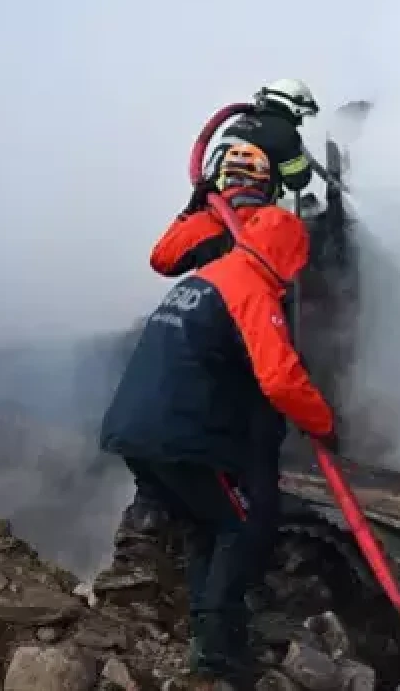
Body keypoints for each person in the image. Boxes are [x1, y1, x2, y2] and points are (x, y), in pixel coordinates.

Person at [100, 203, 336, 690]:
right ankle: (218, 656)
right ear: (288, 256)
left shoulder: (206, 278)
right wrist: (324, 423)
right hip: (181, 437)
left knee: (203, 526)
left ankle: (207, 630)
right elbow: (279, 380)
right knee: (243, 524)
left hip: (135, 431)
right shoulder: (251, 288)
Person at [203, 77, 320, 201]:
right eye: (300, 116)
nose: (300, 122)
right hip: (247, 207)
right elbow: (298, 180)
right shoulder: (284, 131)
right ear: (294, 107)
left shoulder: (240, 123)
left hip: (210, 202)